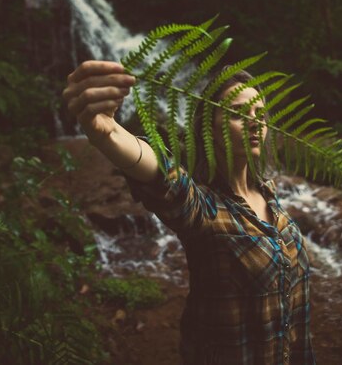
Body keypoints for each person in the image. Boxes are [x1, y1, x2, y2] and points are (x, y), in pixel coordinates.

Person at [63, 60, 316, 365]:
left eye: (260, 114)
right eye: (238, 113)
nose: (255, 122)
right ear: (207, 127)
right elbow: (161, 175)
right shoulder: (204, 208)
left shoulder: (269, 195)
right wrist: (108, 132)